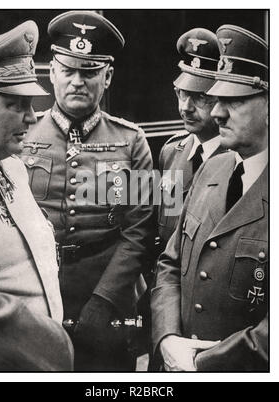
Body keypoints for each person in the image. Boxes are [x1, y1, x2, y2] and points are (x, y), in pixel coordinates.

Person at [21, 11, 154, 371]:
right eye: (68, 70)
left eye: (90, 71)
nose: (77, 81)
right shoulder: (22, 139)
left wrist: (105, 300)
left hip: (109, 298)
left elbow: (139, 232)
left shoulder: (132, 141)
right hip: (37, 295)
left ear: (107, 77)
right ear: (52, 73)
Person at [151, 24, 268, 372]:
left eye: (234, 101)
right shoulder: (211, 169)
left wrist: (204, 362)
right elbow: (169, 263)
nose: (218, 113)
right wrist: (168, 338)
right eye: (217, 100)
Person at [0, 20, 74, 371]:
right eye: (15, 104)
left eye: (31, 103)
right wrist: (52, 345)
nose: (32, 115)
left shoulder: (13, 169)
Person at [158, 28, 224, 249]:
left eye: (200, 97)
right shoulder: (171, 152)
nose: (186, 107)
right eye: (182, 93)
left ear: (222, 98)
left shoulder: (237, 161)